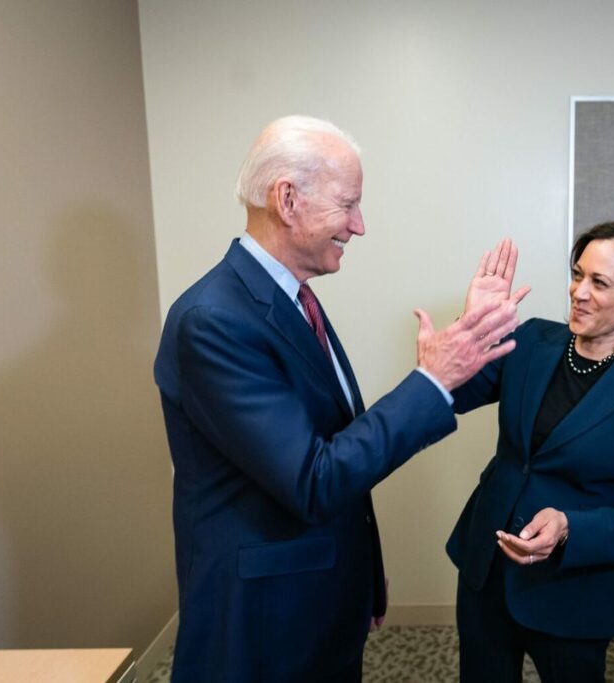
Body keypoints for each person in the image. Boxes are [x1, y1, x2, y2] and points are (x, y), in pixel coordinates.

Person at [153, 115, 523, 682]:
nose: (360, 225)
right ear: (288, 199)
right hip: (262, 627)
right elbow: (314, 479)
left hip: (316, 601)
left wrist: (362, 577)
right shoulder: (215, 320)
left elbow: (332, 444)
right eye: (348, 204)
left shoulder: (291, 298)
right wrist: (431, 381)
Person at [447, 220, 614, 683]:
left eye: (599, 282)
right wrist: (471, 330)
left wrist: (570, 528)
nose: (578, 292)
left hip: (574, 591)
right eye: (577, 274)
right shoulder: (531, 342)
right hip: (487, 571)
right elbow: (452, 396)